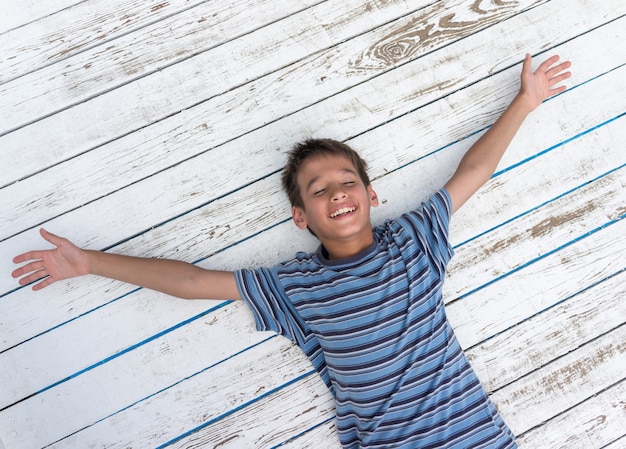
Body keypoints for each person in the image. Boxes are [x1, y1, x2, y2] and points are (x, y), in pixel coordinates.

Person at [12, 54, 571, 448]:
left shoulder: (414, 240)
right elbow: (191, 281)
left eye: (346, 180)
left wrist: (525, 101)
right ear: (301, 218)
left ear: (371, 193)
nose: (337, 193)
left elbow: (472, 171)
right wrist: (90, 263)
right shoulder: (294, 285)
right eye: (319, 189)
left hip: (478, 437)